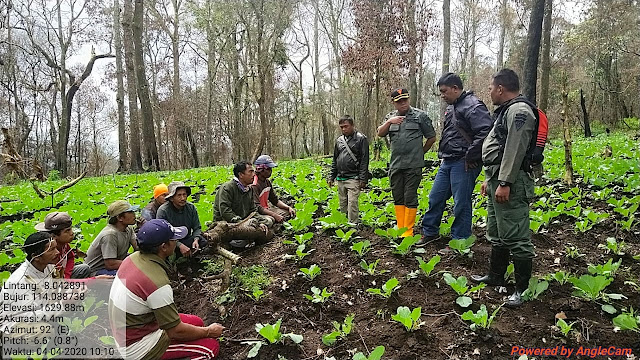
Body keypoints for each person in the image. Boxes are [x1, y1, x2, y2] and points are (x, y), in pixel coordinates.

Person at [108, 219, 224, 360]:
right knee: (210, 347)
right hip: (137, 348)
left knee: (197, 321)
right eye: (173, 239)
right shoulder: (157, 283)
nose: (176, 242)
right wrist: (208, 332)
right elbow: (175, 331)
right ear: (164, 247)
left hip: (130, 329)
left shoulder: (132, 259)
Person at [470, 69, 536, 308]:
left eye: (490, 88)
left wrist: (506, 182)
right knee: (497, 231)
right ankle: (496, 275)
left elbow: (514, 150)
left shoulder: (519, 111)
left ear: (500, 88)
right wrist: (491, 179)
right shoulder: (508, 110)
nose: (489, 92)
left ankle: (522, 289)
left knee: (516, 235)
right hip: (498, 179)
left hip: (512, 182)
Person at [420, 73, 493, 246]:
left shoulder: (473, 106)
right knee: (435, 197)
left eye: (444, 91)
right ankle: (430, 233)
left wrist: (471, 155)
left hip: (465, 162)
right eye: (441, 92)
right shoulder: (452, 107)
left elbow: (485, 132)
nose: (442, 95)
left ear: (455, 88)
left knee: (461, 202)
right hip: (448, 160)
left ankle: (460, 240)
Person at [377, 88, 436, 237]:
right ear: (394, 103)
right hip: (396, 164)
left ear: (409, 100)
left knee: (410, 196)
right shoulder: (390, 117)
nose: (403, 103)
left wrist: (420, 153)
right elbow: (380, 133)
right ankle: (400, 227)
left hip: (413, 165)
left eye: (405, 100)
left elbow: (431, 138)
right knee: (398, 196)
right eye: (399, 101)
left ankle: (408, 231)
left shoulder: (420, 116)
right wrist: (390, 122)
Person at [0, 232, 59, 333]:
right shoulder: (20, 281)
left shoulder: (48, 266)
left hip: (38, 310)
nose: (57, 252)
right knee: (44, 331)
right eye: (52, 250)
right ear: (36, 257)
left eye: (56, 248)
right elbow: (27, 316)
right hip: (14, 323)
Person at [214, 162, 272, 248]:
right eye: (250, 172)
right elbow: (225, 212)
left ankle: (249, 237)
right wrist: (242, 224)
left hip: (245, 221)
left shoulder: (250, 189)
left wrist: (259, 222)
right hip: (229, 225)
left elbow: (253, 210)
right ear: (241, 174)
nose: (254, 174)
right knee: (252, 227)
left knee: (269, 220)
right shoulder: (227, 188)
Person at [328, 115, 370, 223]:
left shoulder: (361, 139)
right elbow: (335, 159)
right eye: (341, 127)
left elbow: (364, 160)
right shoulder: (339, 141)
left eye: (346, 126)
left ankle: (353, 224)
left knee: (352, 203)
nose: (343, 129)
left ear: (352, 126)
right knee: (343, 203)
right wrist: (331, 177)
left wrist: (363, 179)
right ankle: (344, 224)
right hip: (341, 177)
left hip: (354, 177)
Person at [85, 200, 139, 276]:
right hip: (97, 271)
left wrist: (144, 229)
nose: (134, 215)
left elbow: (137, 247)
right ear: (120, 218)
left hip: (116, 262)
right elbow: (110, 264)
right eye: (130, 212)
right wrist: (135, 264)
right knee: (131, 275)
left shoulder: (128, 228)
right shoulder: (110, 234)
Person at [156, 181, 207, 258]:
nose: (183, 198)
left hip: (187, 238)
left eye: (184, 194)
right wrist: (179, 245)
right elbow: (162, 235)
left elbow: (197, 227)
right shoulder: (163, 211)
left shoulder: (191, 207)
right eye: (179, 195)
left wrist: (196, 239)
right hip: (170, 242)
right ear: (172, 198)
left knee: (204, 243)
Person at [35, 211, 92, 279]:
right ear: (54, 236)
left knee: (84, 268)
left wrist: (67, 275)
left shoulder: (65, 244)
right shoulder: (48, 252)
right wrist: (93, 280)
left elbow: (70, 257)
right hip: (51, 280)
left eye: (71, 229)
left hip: (63, 275)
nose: (72, 233)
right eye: (67, 231)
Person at [253, 155, 296, 223]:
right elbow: (257, 208)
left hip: (266, 210)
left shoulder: (267, 182)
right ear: (261, 170)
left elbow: (275, 201)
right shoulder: (254, 184)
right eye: (269, 169)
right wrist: (274, 215)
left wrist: (288, 207)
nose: (271, 171)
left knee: (288, 212)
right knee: (270, 220)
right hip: (257, 213)